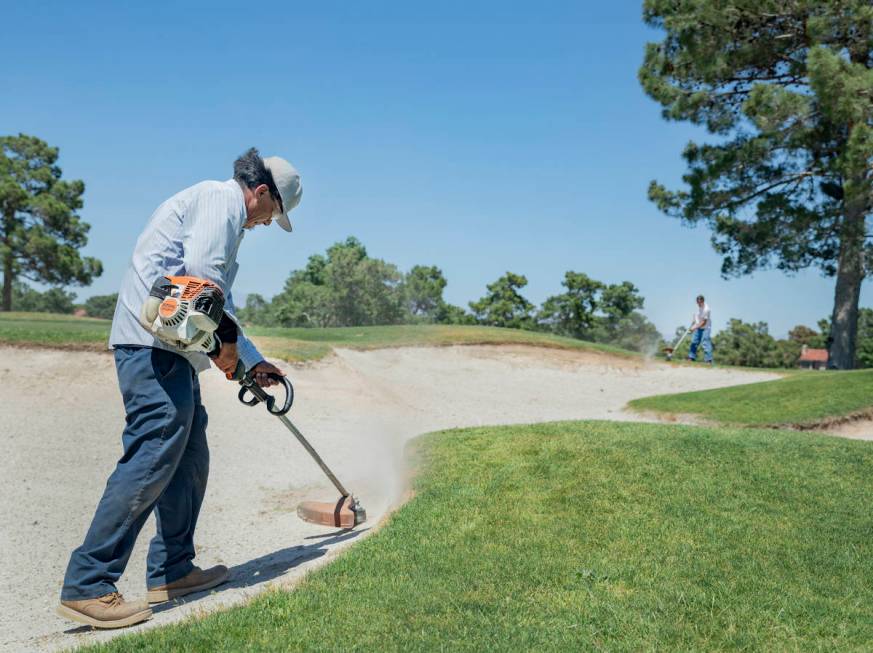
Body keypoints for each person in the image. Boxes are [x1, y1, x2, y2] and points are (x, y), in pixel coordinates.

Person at [57, 148, 302, 629]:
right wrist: (226, 351)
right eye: (274, 214)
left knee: (190, 454)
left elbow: (217, 304)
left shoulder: (225, 214)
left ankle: (172, 569)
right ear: (260, 193)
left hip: (174, 351)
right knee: (155, 447)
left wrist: (251, 362)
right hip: (151, 347)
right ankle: (88, 582)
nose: (268, 224)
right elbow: (202, 286)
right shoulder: (219, 202)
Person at [688, 294, 713, 364]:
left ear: (703, 301)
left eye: (700, 302)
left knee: (705, 342)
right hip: (698, 326)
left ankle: (708, 360)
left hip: (706, 328)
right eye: (698, 302)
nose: (699, 303)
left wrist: (694, 328)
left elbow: (704, 323)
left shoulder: (707, 309)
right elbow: (695, 314)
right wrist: (693, 321)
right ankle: (691, 357)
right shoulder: (697, 307)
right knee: (694, 341)